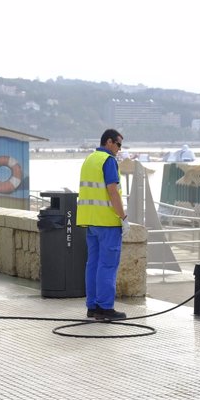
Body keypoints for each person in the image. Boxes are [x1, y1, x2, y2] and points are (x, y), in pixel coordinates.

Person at [76, 129, 130, 320]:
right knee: (107, 266)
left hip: (90, 221)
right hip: (107, 222)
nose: (119, 149)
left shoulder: (90, 159)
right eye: (118, 144)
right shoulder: (108, 161)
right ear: (109, 142)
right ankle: (105, 308)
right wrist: (123, 217)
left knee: (93, 264)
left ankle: (92, 307)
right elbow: (112, 192)